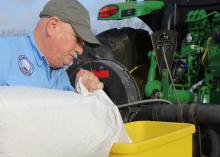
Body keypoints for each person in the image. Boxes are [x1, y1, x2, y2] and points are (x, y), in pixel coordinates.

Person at [0, 0, 104, 92]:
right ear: (53, 26)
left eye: (83, 43)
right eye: (77, 39)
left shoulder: (62, 77)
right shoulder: (4, 53)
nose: (80, 50)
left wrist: (83, 93)